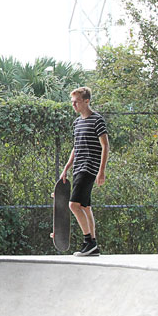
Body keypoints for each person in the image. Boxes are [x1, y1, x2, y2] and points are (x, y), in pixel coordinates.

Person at [59, 86, 109, 257]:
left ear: (86, 102)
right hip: (78, 166)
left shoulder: (97, 120)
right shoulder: (77, 123)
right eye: (72, 102)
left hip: (90, 167)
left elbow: (105, 145)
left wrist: (101, 171)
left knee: (73, 205)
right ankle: (93, 245)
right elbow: (76, 147)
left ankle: (88, 241)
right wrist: (66, 168)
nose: (73, 105)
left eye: (76, 102)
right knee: (85, 207)